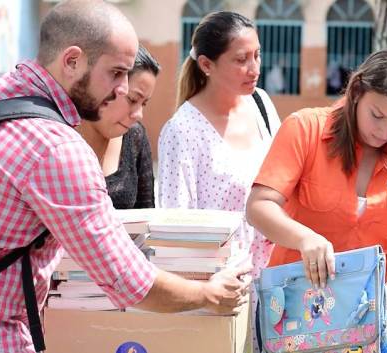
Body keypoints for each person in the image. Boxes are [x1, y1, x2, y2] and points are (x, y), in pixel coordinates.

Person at [0, 1, 249, 352]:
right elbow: (126, 280)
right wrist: (208, 295)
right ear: (72, 60)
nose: (121, 89)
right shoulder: (56, 149)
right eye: (117, 73)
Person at [246, 48, 387, 313]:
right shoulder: (305, 128)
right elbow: (259, 206)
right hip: (294, 306)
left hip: (370, 308)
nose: (385, 132)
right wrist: (304, 238)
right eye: (377, 116)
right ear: (357, 91)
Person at [156, 11, 281, 352]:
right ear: (207, 65)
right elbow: (176, 234)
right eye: (241, 60)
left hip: (277, 288)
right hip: (223, 297)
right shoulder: (182, 131)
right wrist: (207, 295)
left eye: (257, 55)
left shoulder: (262, 105)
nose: (254, 68)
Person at [77, 45, 159, 209]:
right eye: (133, 99)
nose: (138, 114)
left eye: (144, 104)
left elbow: (147, 214)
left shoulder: (135, 135)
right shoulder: (59, 136)